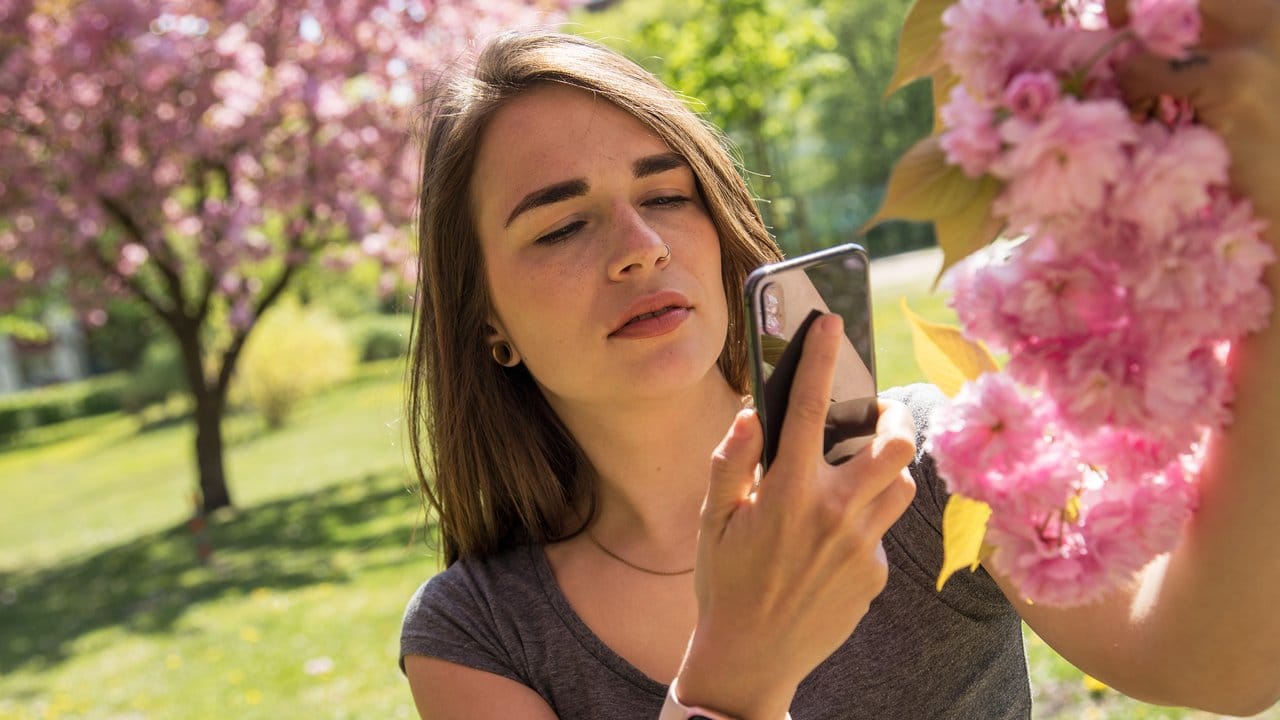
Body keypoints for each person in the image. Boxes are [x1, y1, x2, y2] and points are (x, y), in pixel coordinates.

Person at [399, 13, 1280, 718]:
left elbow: (1225, 663)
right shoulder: (479, 638)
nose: (640, 249)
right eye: (559, 227)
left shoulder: (918, 465)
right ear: (486, 322)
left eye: (667, 196)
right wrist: (739, 666)